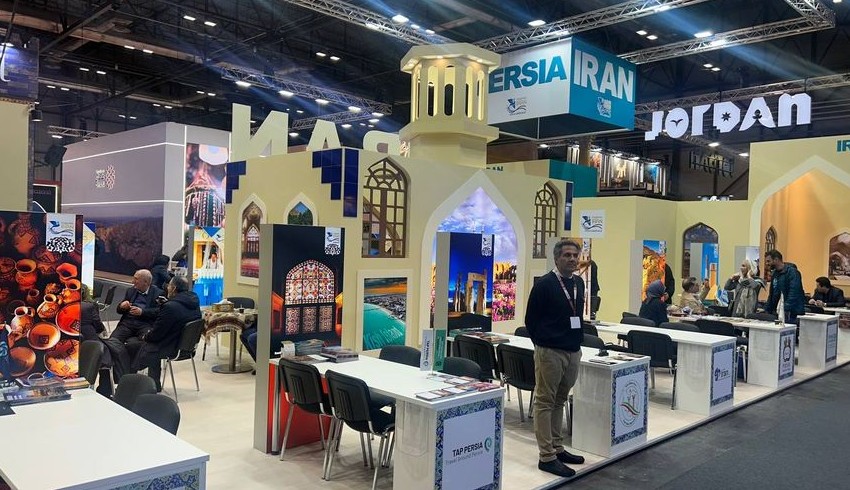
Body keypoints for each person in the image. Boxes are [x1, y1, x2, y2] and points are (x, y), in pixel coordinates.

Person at [524, 239, 586, 478]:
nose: (572, 259)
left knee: (560, 400)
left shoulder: (579, 283)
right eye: (567, 255)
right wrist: (543, 345)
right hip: (550, 351)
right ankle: (546, 456)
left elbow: (576, 314)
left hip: (573, 350)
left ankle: (557, 447)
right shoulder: (545, 284)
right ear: (557, 258)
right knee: (544, 401)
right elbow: (531, 320)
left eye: (575, 255)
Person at [134, 276, 202, 392]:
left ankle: (135, 382)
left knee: (138, 345)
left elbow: (157, 334)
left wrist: (146, 336)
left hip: (171, 347)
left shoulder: (170, 307)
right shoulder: (194, 302)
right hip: (187, 347)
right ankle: (154, 384)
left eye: (169, 285)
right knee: (151, 345)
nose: (167, 288)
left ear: (174, 288)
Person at [103, 269, 163, 380]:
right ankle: (113, 378)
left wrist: (142, 312)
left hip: (145, 324)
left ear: (146, 282)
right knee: (111, 343)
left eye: (136, 279)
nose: (132, 281)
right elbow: (119, 311)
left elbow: (160, 312)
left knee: (149, 344)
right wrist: (122, 306)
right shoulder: (130, 291)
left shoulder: (158, 293)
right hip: (127, 323)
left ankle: (137, 376)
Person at [79, 284, 113, 396]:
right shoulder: (90, 306)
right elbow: (97, 323)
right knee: (106, 353)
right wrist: (101, 330)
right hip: (88, 336)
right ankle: (105, 388)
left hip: (74, 337)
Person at [764, 250, 805, 323]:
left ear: (776, 259)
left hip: (791, 313)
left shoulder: (792, 272)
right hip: (778, 312)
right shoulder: (774, 274)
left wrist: (784, 309)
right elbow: (772, 294)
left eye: (768, 261)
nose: (767, 264)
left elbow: (793, 293)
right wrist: (767, 310)